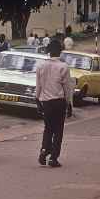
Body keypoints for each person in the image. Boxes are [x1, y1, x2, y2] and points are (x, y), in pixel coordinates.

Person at [36, 39, 72, 168]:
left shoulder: (41, 66)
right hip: (59, 102)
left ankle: (44, 150)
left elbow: (38, 86)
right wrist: (68, 104)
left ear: (49, 51)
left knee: (48, 129)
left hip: (46, 102)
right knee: (58, 131)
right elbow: (67, 88)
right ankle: (53, 158)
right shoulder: (63, 67)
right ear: (60, 51)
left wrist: (37, 101)